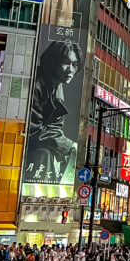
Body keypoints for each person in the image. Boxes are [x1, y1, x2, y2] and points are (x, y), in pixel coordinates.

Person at [25, 39, 83, 184]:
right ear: (54, 62)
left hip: (38, 147)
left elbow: (54, 126)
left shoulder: (57, 87)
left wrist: (68, 147)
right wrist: (69, 146)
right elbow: (33, 129)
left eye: (75, 64)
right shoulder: (37, 84)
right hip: (23, 147)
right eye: (66, 63)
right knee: (44, 154)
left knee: (49, 154)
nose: (70, 70)